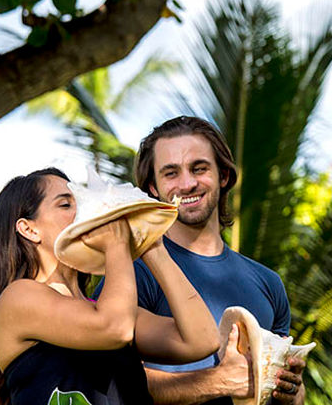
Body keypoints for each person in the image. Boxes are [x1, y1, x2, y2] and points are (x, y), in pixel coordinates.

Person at [95, 116, 306, 405]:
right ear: (153, 189)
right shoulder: (132, 275)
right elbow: (106, 381)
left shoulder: (269, 283)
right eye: (171, 173)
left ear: (223, 175)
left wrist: (291, 391)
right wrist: (219, 381)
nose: (187, 183)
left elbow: (289, 389)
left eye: (199, 168)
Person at [0, 167, 219, 405]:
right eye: (66, 204)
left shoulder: (107, 309)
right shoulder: (18, 297)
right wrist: (115, 243)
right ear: (29, 229)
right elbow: (116, 328)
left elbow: (202, 340)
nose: (84, 209)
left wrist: (153, 248)